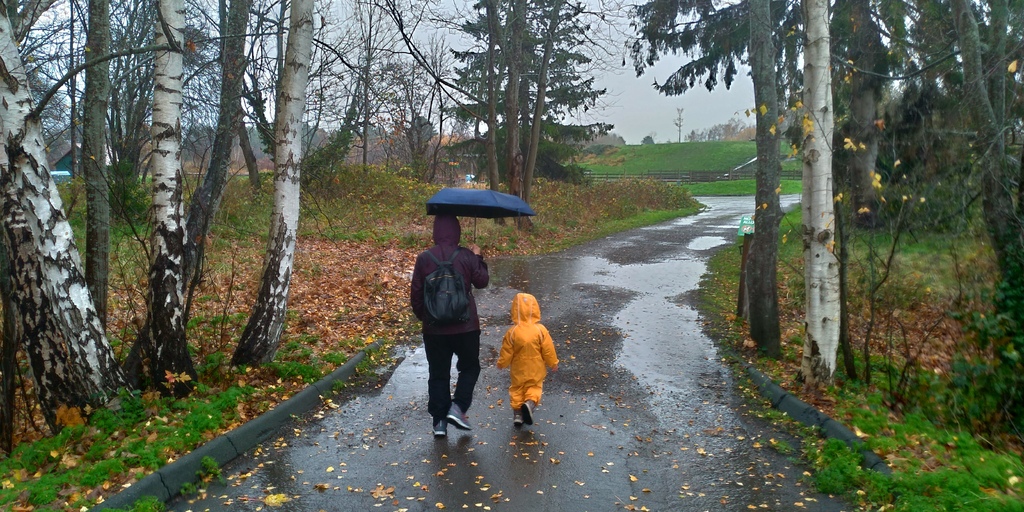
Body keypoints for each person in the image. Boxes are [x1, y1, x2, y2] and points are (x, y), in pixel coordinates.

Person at [410, 214, 489, 438]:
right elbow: (482, 281)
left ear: (435, 232)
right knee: (470, 367)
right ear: (457, 232)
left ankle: (439, 423)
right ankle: (458, 407)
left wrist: (426, 319)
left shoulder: (424, 258)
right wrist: (478, 256)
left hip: (434, 330)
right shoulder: (466, 255)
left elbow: (416, 295)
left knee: (438, 373)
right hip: (466, 327)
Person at [496, 293, 559, 427]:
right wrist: (553, 362)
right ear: (535, 309)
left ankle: (518, 414)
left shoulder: (512, 332)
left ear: (515, 310)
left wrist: (502, 363)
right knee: (534, 387)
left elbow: (506, 351)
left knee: (517, 389)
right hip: (536, 368)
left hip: (518, 369)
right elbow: (548, 349)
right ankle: (530, 403)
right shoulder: (540, 330)